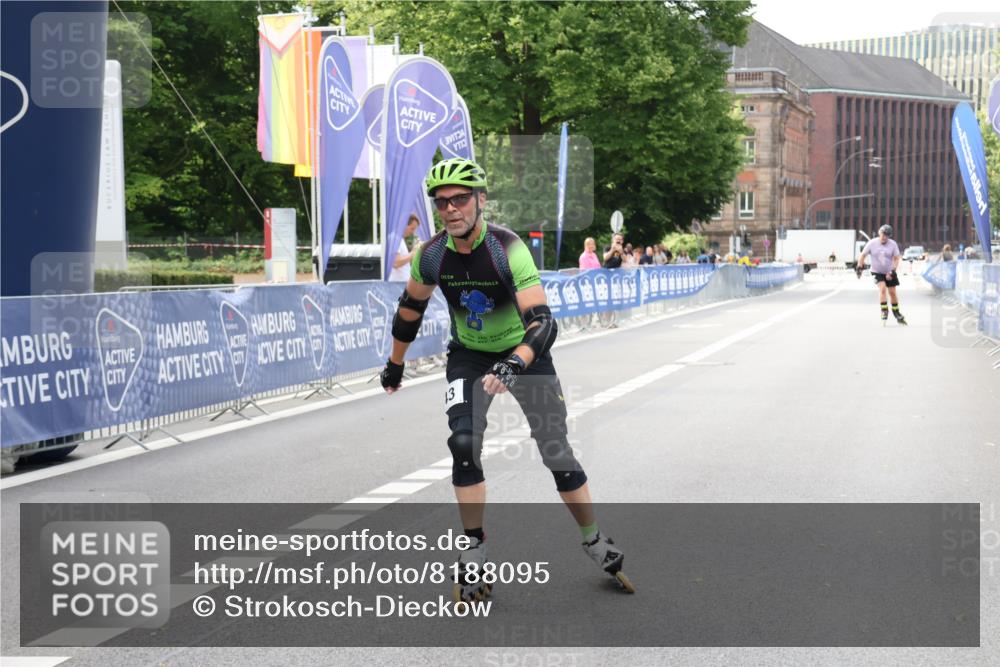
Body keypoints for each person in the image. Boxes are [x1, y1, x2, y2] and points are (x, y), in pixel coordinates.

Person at [379, 157, 634, 602]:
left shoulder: (507, 247)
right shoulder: (432, 254)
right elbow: (409, 310)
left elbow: (544, 323)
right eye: (442, 202)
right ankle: (474, 549)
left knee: (556, 451)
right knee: (462, 443)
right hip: (470, 358)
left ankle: (593, 539)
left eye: (460, 198)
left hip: (525, 354)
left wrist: (515, 362)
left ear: (480, 200)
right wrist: (395, 365)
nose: (451, 209)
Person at [857, 224, 906, 325]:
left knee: (892, 292)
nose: (884, 237)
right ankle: (884, 310)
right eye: (883, 235)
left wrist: (893, 271)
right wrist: (859, 267)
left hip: (889, 270)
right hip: (876, 271)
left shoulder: (893, 244)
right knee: (883, 289)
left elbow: (897, 258)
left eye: (887, 236)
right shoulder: (872, 243)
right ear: (879, 233)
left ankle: (896, 313)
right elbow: (862, 255)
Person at [389, 214, 421, 281]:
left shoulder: (399, 239)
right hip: (397, 285)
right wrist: (413, 253)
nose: (413, 232)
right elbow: (396, 263)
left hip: (400, 284)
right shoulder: (395, 239)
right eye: (412, 228)